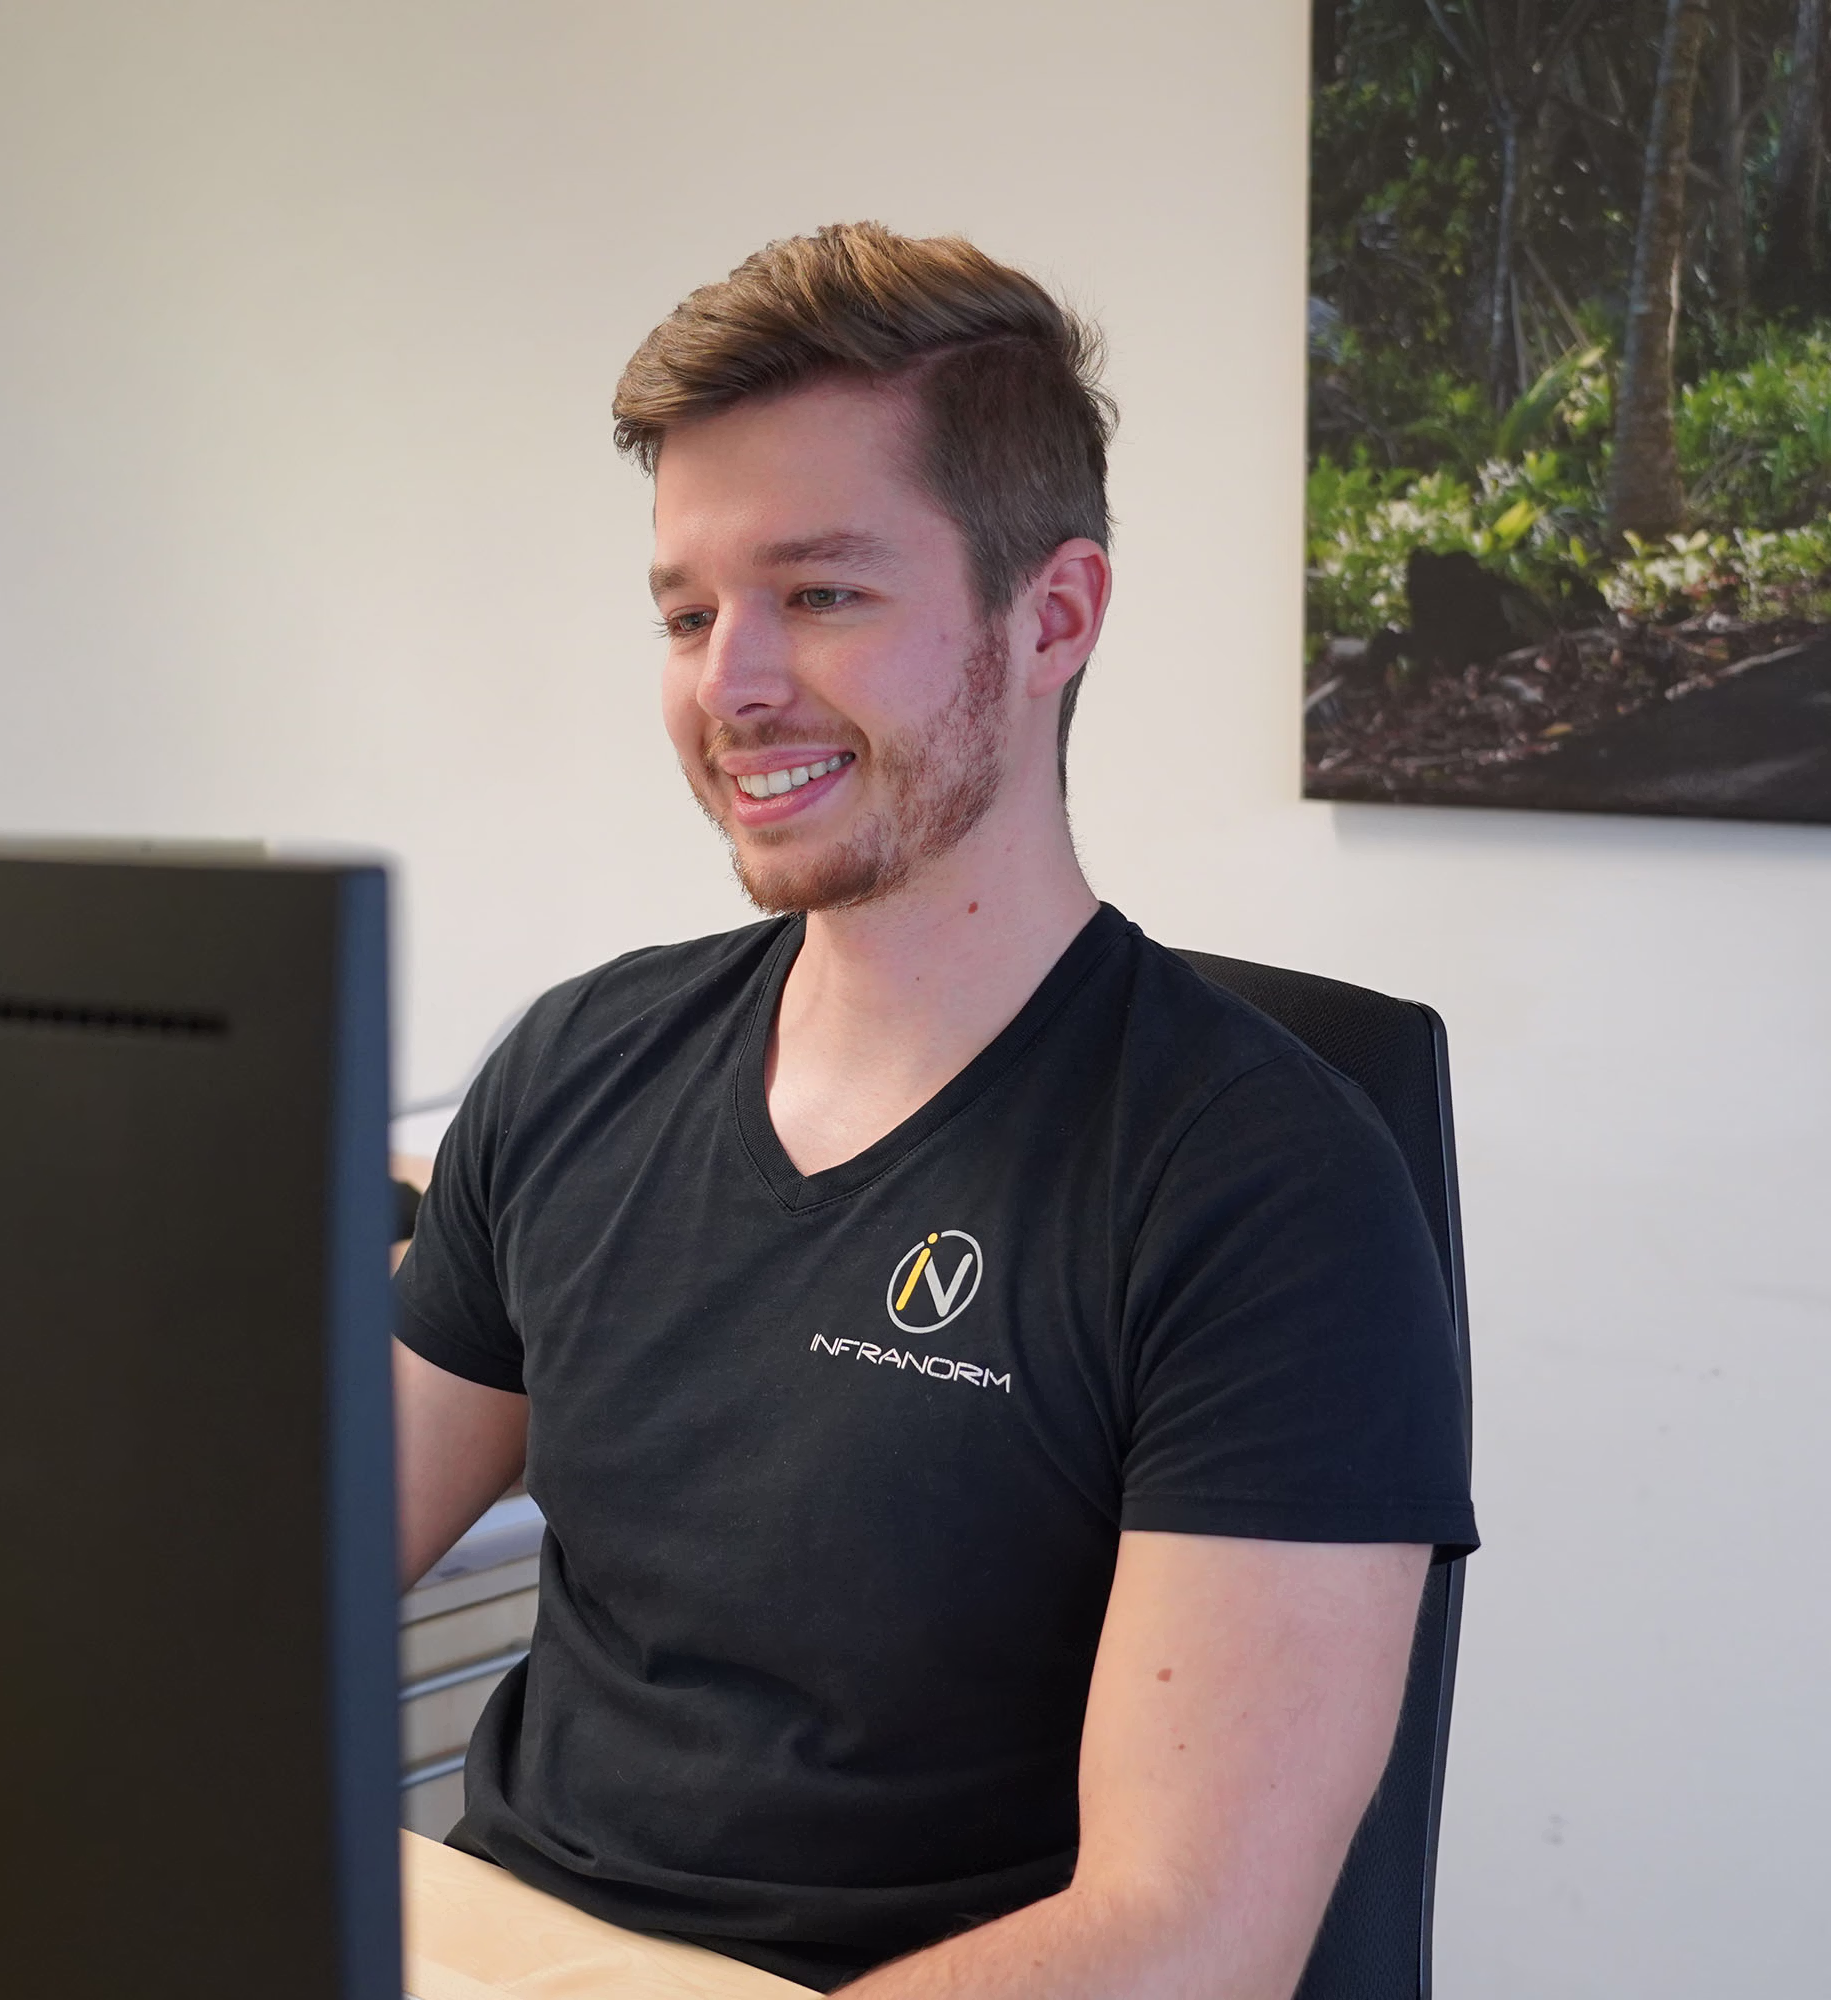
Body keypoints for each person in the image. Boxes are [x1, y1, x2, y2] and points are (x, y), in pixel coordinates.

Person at [391, 220, 1477, 1998]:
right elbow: (272, 1579)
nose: (728, 685)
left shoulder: (1267, 1192)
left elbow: (1183, 1942)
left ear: (1050, 616)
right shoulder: (577, 1064)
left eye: (820, 595)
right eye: (686, 611)